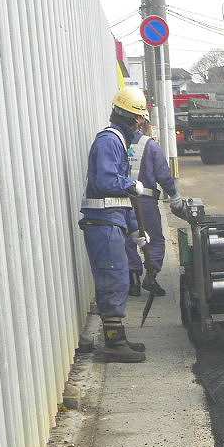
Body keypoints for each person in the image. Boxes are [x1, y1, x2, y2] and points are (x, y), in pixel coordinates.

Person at [79, 85, 149, 362]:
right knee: (113, 278)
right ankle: (113, 344)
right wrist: (131, 184)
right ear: (132, 118)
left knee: (118, 277)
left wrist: (135, 230)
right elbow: (106, 181)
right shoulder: (109, 141)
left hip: (111, 221)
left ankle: (117, 337)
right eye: (140, 119)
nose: (141, 126)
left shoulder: (118, 142)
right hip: (103, 223)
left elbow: (121, 199)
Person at [124, 114, 179, 297]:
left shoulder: (118, 142)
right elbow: (163, 175)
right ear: (144, 122)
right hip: (145, 202)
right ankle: (151, 276)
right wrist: (174, 195)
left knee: (128, 240)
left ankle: (133, 281)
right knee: (154, 239)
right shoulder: (150, 145)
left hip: (122, 201)